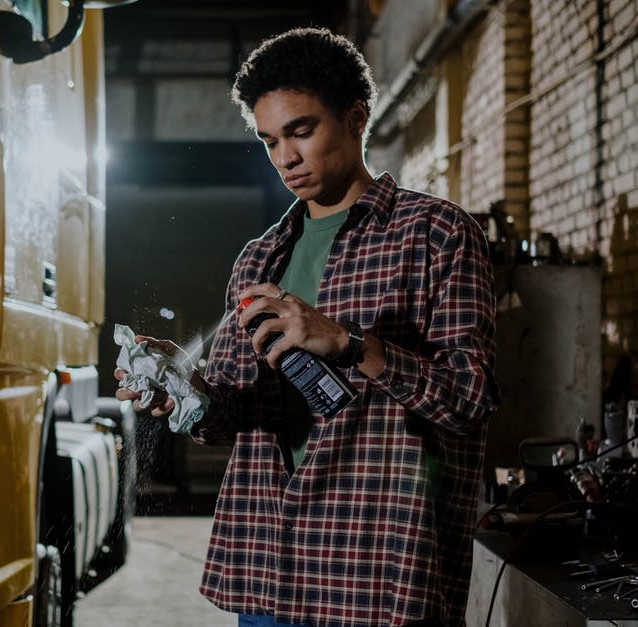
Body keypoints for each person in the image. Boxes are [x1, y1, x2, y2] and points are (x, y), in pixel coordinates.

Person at [115, 27, 498, 627]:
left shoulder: (436, 235)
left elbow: (470, 401)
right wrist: (180, 389)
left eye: (301, 131)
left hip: (376, 575)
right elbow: (236, 414)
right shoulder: (257, 259)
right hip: (273, 570)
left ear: (355, 118)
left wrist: (346, 343)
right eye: (269, 141)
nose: (285, 159)